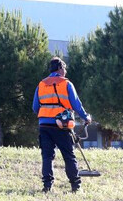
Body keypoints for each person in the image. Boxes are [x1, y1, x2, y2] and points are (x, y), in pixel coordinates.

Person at [33, 57, 91, 193]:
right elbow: (76, 104)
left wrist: (45, 114)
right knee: (68, 155)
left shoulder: (41, 84)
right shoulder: (66, 84)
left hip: (44, 125)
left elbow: (35, 107)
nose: (65, 71)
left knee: (47, 156)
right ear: (60, 68)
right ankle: (76, 186)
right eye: (64, 68)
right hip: (61, 125)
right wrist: (86, 117)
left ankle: (47, 186)